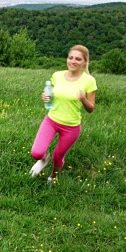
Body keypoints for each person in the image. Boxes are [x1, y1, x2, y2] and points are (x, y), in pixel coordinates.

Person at [29, 45, 97, 183]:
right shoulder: (57, 75)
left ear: (84, 61)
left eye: (78, 59)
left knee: (58, 157)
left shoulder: (89, 81)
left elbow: (91, 108)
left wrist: (83, 99)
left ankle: (53, 177)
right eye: (70, 57)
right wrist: (46, 97)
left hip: (71, 127)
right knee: (36, 153)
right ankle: (44, 159)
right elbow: (52, 95)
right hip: (51, 120)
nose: (73, 61)